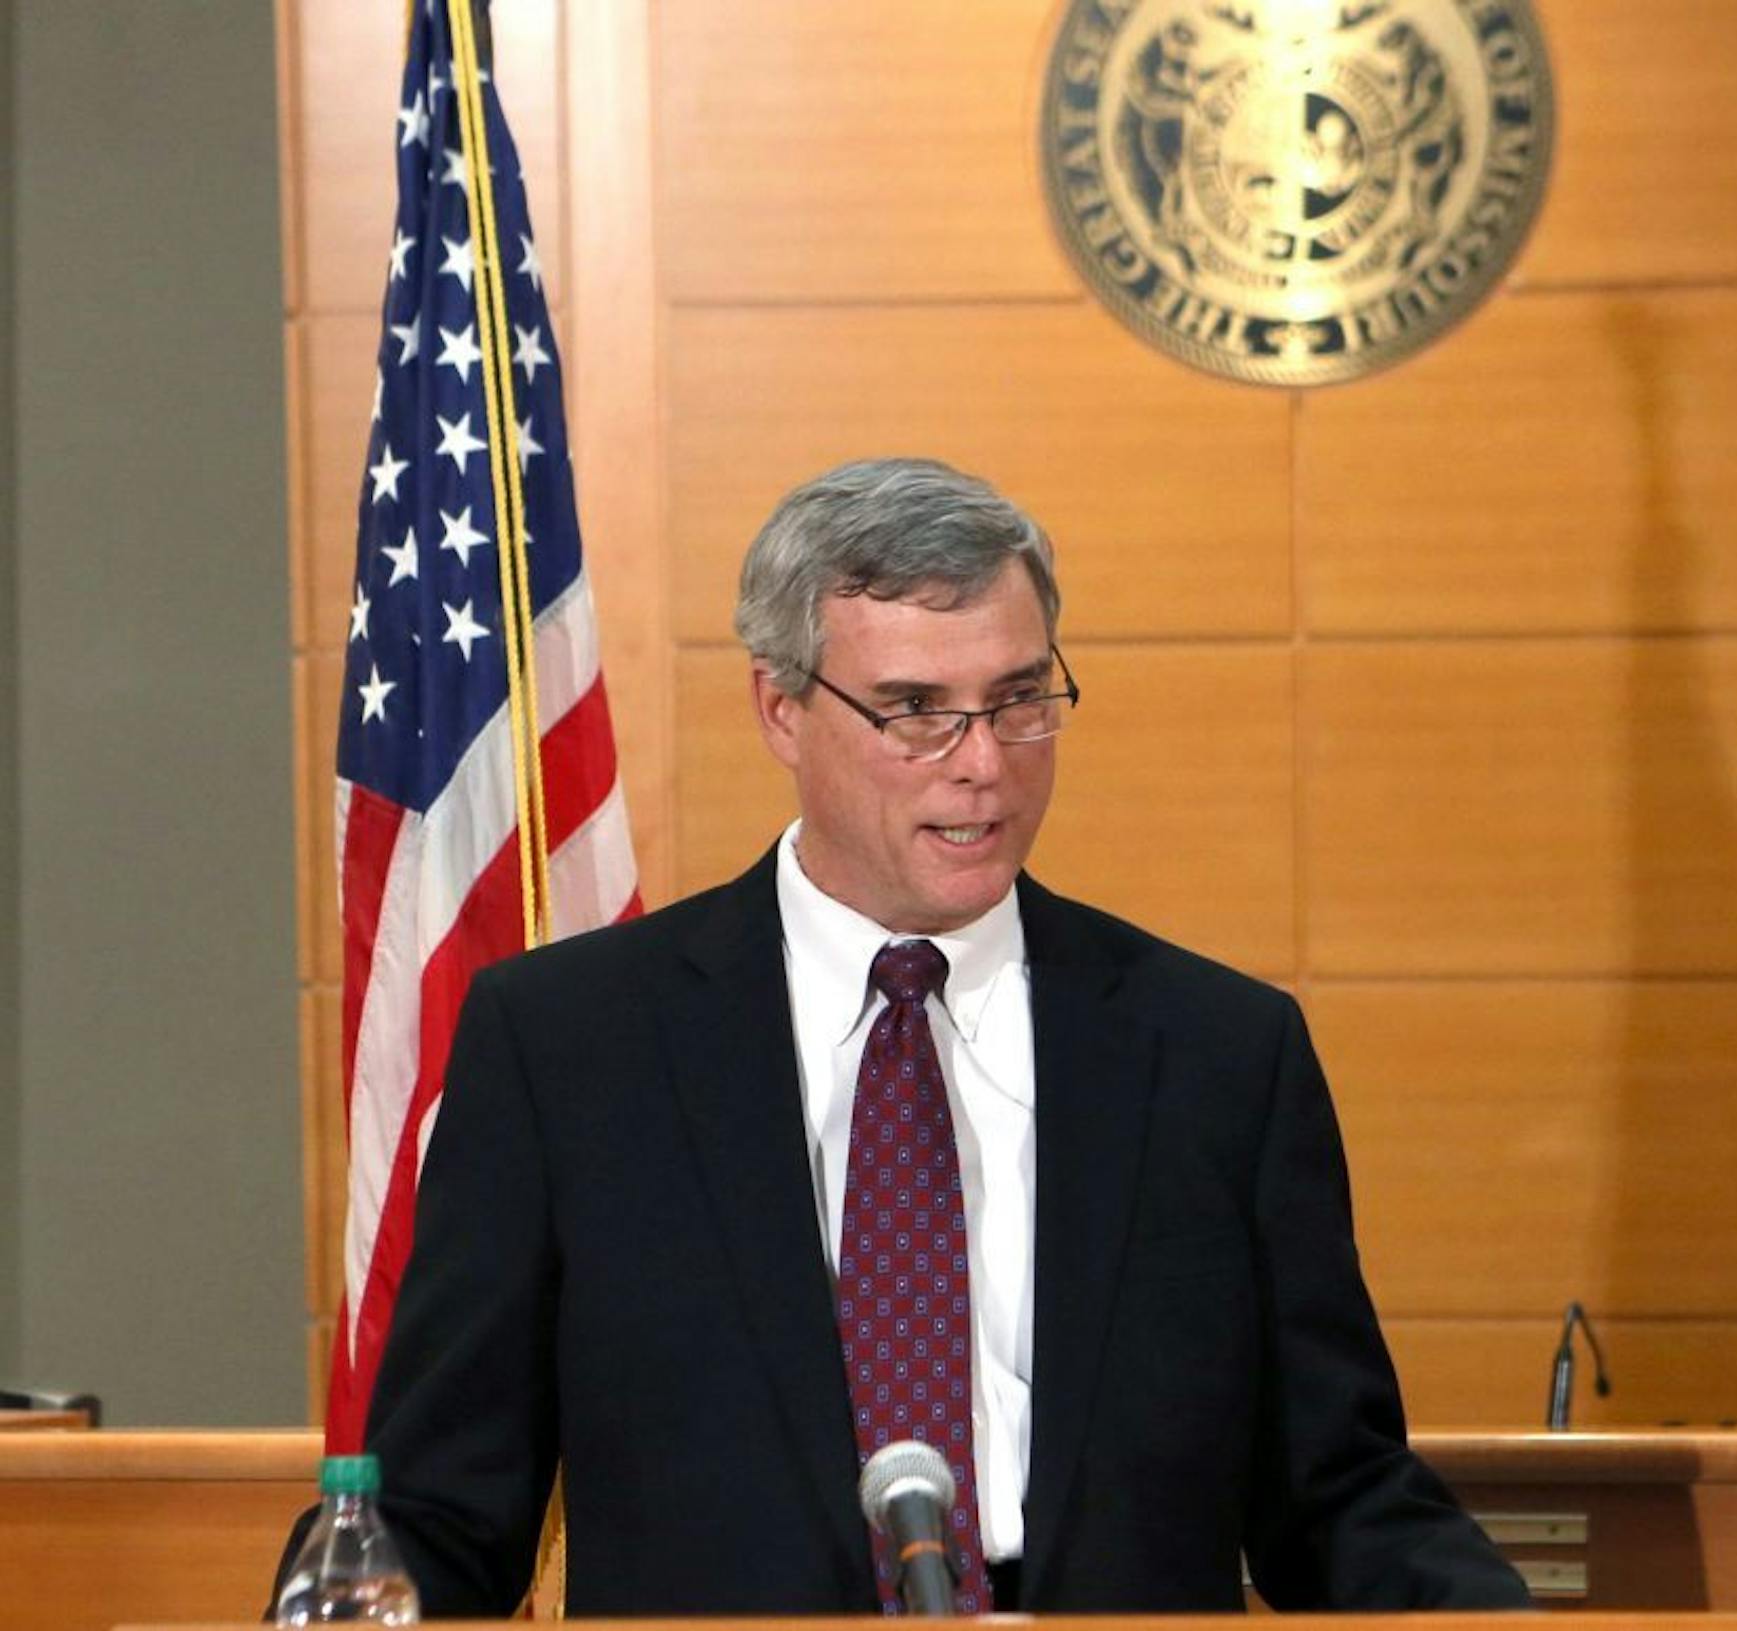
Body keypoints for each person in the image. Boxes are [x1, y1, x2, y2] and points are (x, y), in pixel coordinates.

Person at [284, 458, 1529, 1617]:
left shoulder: (1216, 1053)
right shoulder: (568, 1049)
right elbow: (444, 1513)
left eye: (1020, 699)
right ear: (780, 708)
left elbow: (1335, 1491)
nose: (983, 763)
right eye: (915, 709)